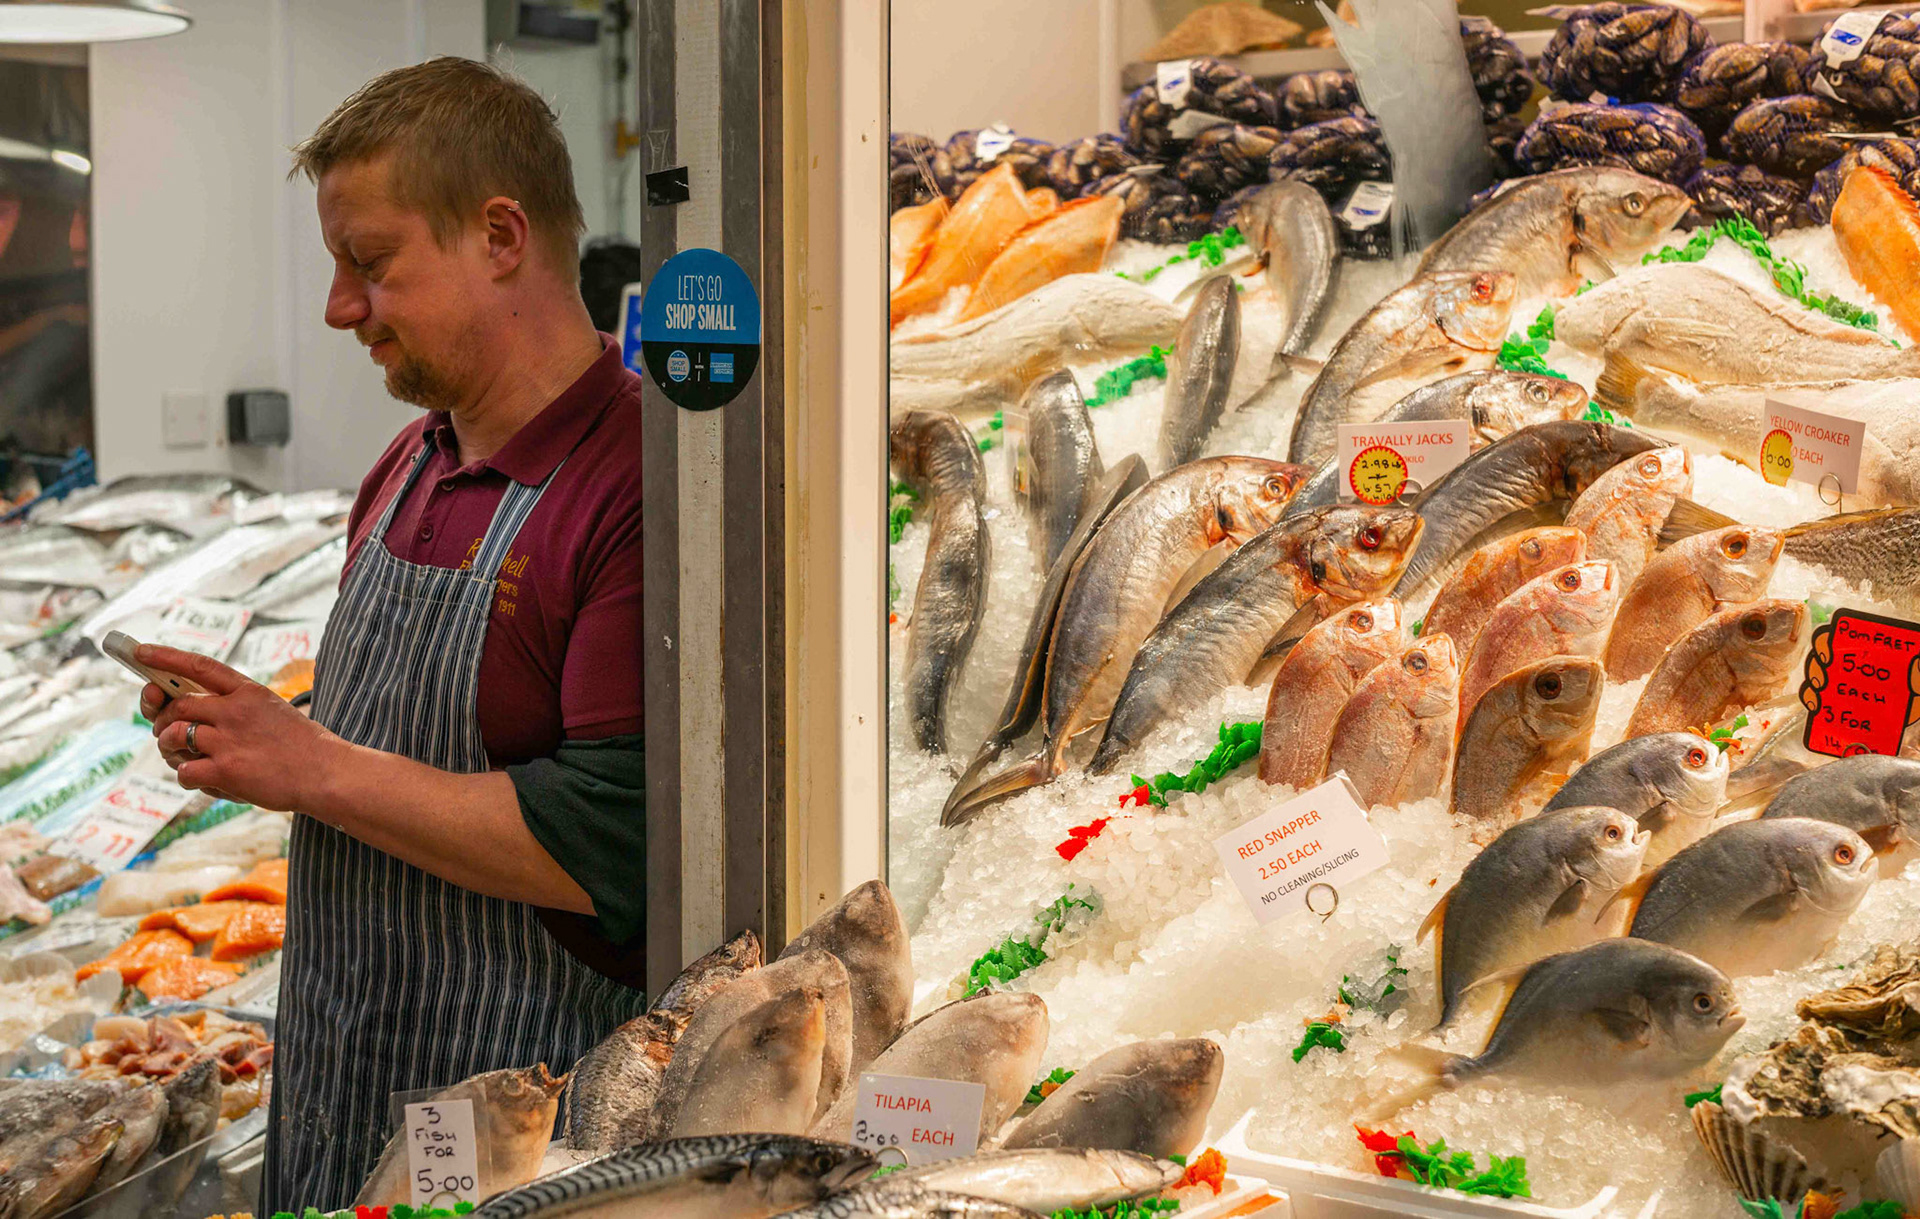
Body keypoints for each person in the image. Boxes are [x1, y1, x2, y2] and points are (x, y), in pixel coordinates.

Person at [134, 57, 651, 1211]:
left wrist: (308, 762)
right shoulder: (410, 462)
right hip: (336, 1079)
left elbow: (608, 843)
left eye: (370, 264)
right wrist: (252, 735)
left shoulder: (631, 481)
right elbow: (403, 750)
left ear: (501, 234)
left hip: (512, 1126)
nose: (339, 307)